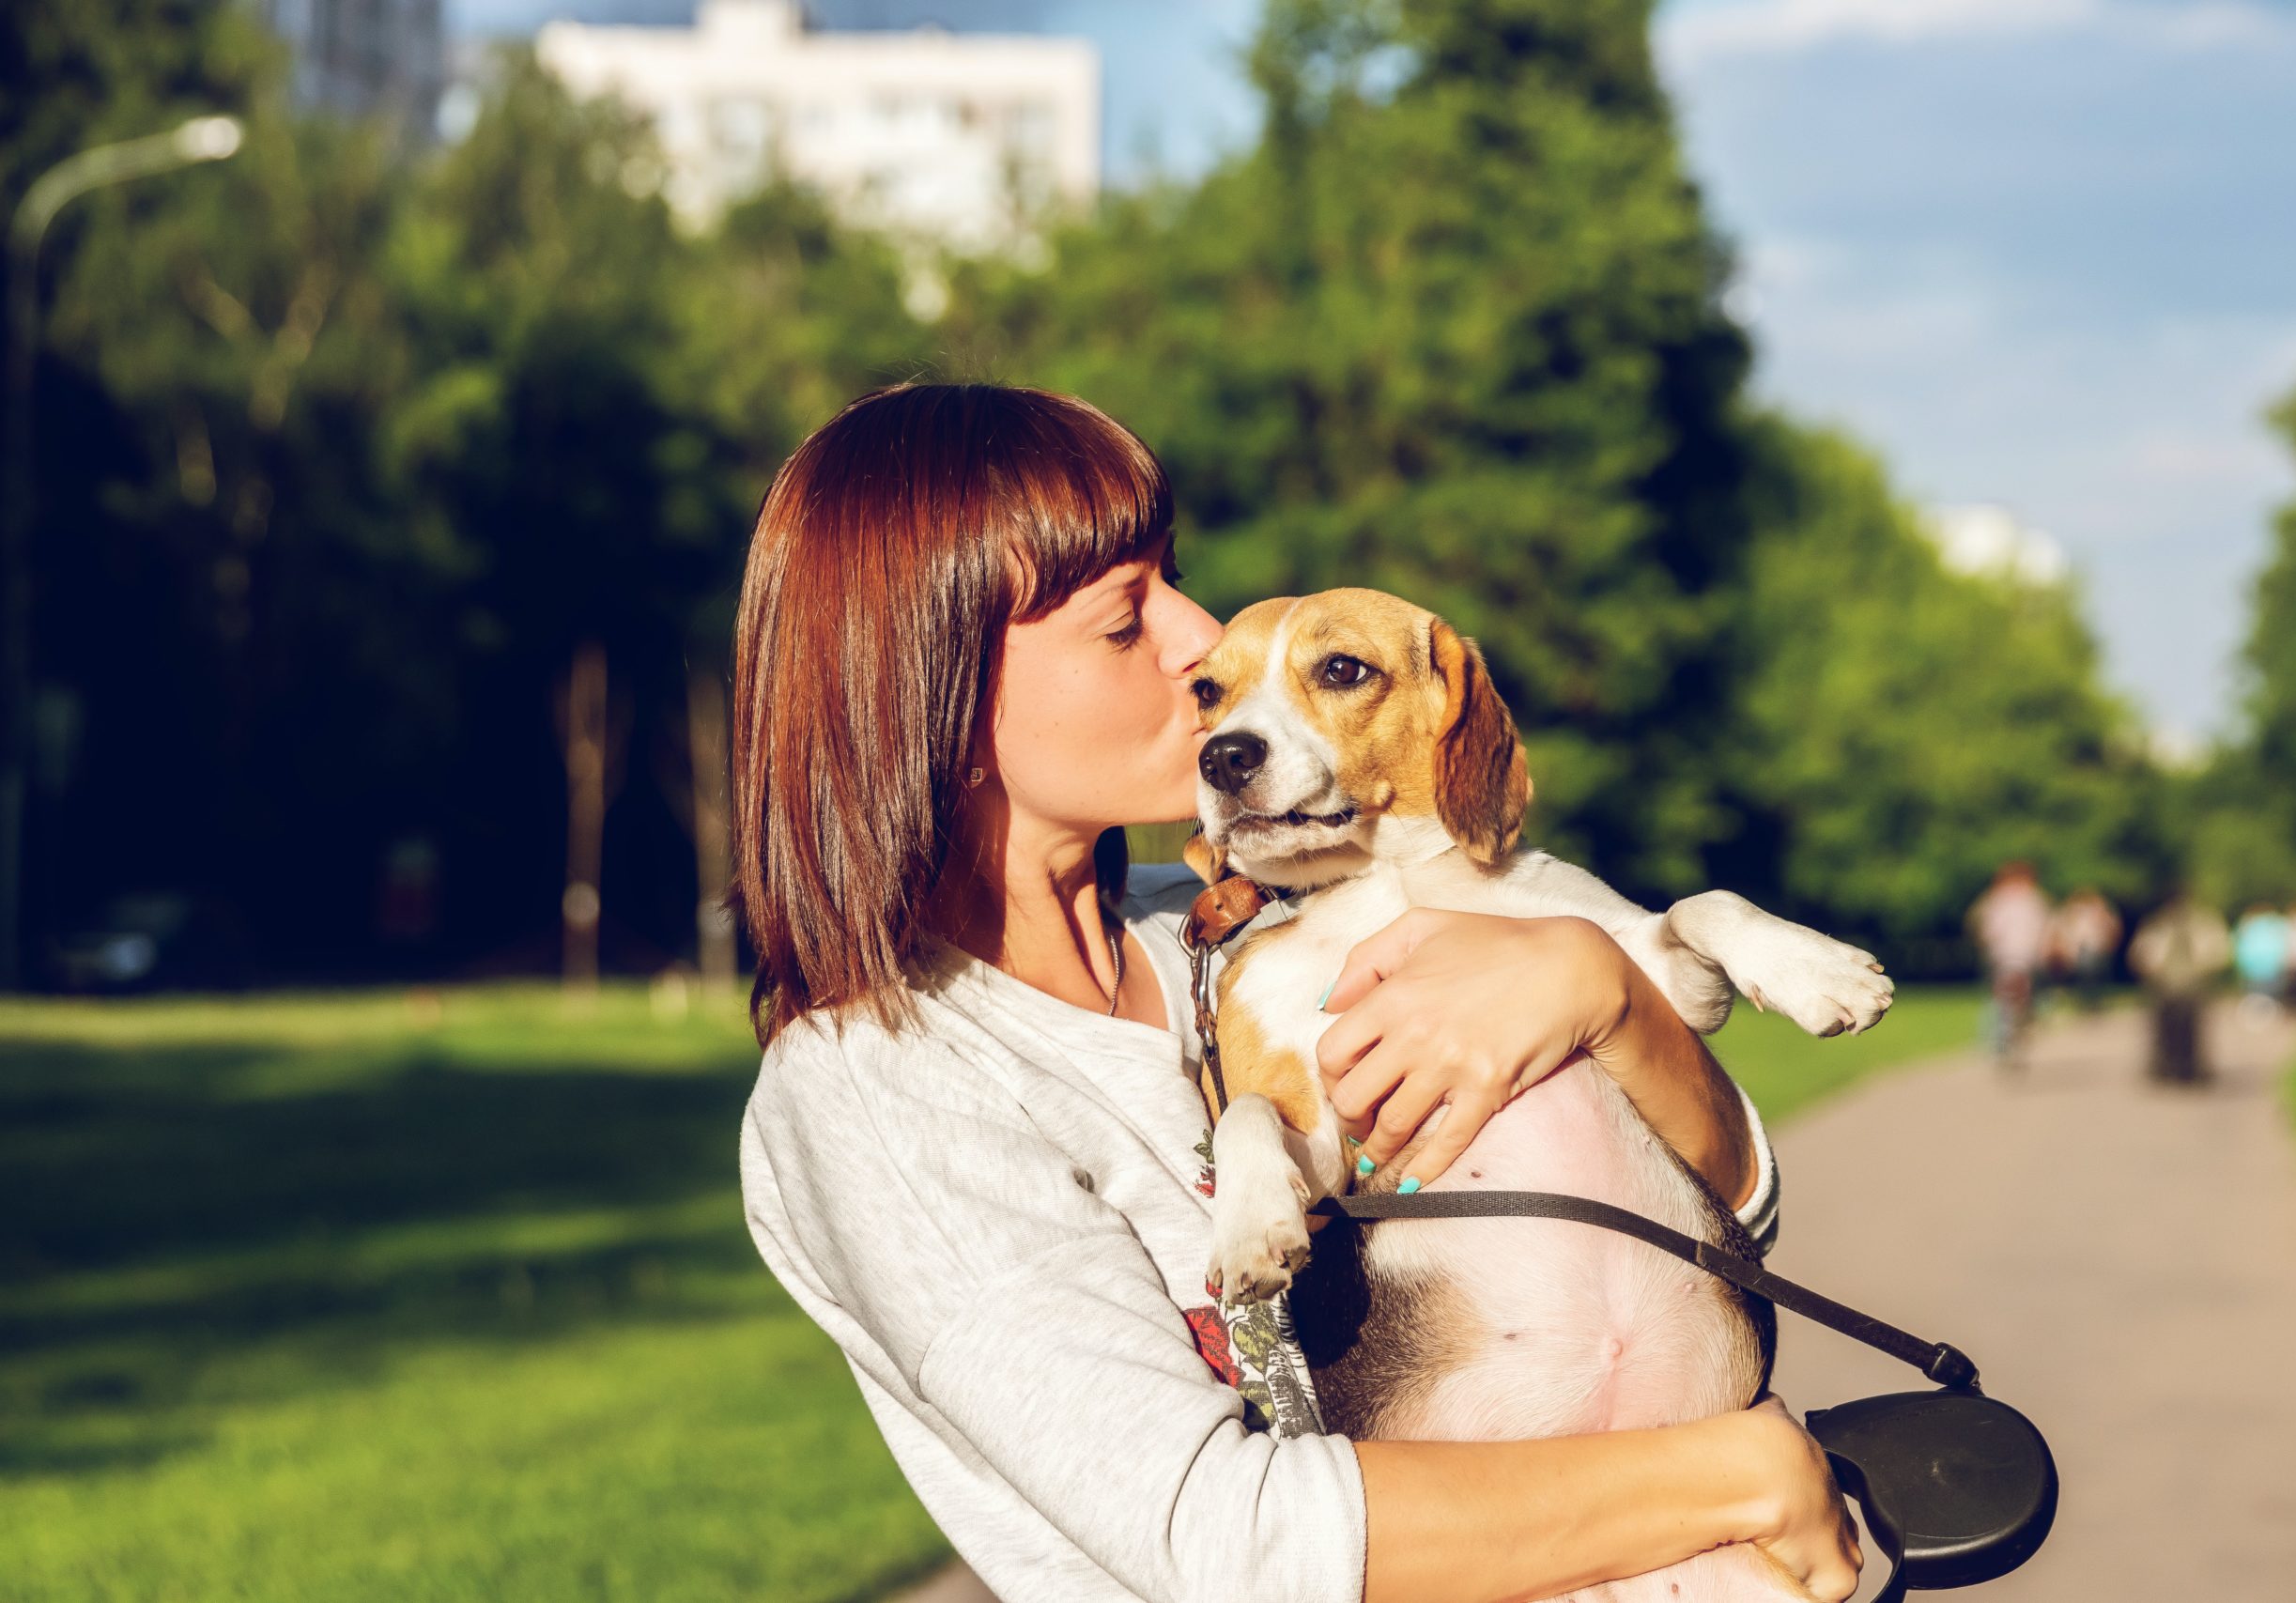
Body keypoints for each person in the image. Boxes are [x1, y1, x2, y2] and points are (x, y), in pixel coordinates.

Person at [729, 384, 1860, 1603]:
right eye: (1124, 618)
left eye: (1175, 575)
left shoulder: (1254, 911)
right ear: (940, 698)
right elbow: (1221, 1543)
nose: (1196, 634)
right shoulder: (883, 1085)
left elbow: (1731, 1212)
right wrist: (1731, 1474)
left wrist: (1604, 993)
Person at [2127, 891, 2228, 1086]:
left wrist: (2206, 964)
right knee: (2165, 1028)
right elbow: (2142, 950)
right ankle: (2166, 1065)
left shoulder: (2202, 922)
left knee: (2191, 1028)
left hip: (2192, 983)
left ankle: (2189, 1067)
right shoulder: (2159, 924)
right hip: (2165, 983)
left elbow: (2216, 949)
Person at [1968, 862, 2051, 1070]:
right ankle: (2005, 1039)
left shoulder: (2001, 899)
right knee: (2013, 1001)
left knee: (2005, 1000)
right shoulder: (2028, 899)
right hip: (2016, 957)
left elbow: (1986, 929)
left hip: (2009, 957)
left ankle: (2003, 1039)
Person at [2048, 888, 2120, 1012]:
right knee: (2087, 977)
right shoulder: (2072, 914)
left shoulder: (2098, 913)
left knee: (2093, 977)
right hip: (2083, 949)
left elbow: (2111, 930)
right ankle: (2088, 1002)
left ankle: (2091, 1001)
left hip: (2094, 949)